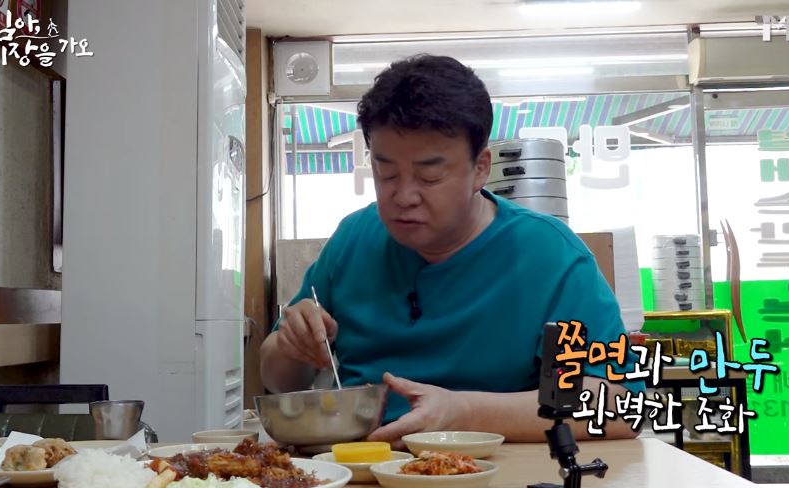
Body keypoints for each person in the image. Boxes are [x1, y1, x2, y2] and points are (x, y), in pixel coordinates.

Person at [260, 54, 643, 444]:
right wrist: (291, 347)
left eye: (429, 175)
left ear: (480, 168)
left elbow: (620, 404)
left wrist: (465, 413)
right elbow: (277, 379)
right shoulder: (353, 239)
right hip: (357, 465)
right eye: (385, 171)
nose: (403, 196)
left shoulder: (549, 256)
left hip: (493, 466)